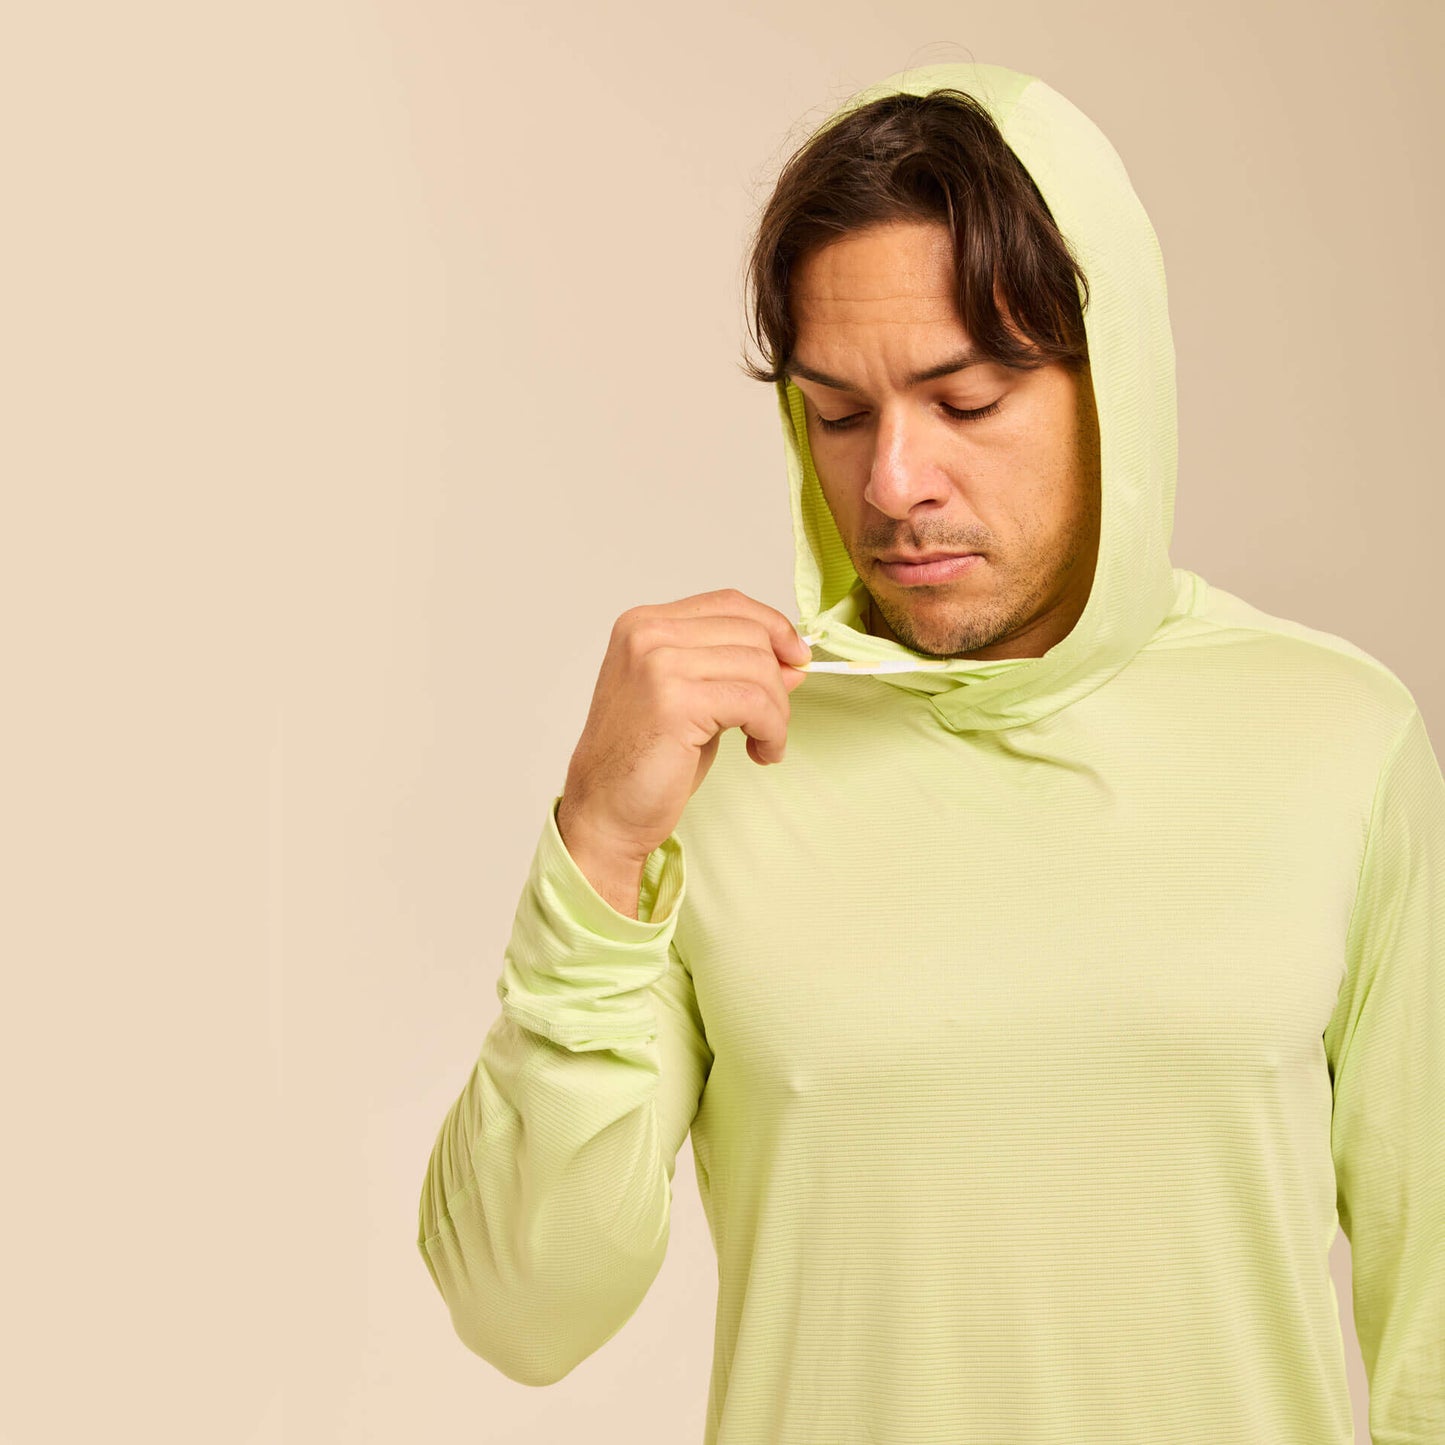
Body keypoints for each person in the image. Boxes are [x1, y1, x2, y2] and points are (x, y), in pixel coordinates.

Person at [416, 61, 1444, 1444]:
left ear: (1112, 384)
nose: (893, 484)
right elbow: (522, 1311)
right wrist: (596, 846)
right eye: (839, 414)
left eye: (964, 402)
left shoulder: (1339, 741)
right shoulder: (717, 765)